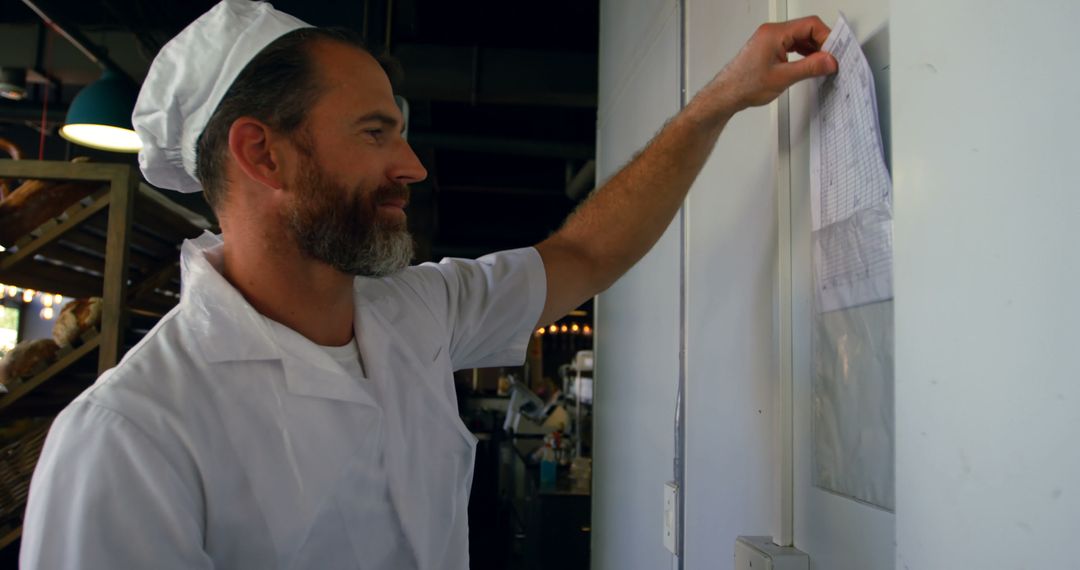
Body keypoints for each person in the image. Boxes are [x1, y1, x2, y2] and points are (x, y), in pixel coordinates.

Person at [19, 1, 837, 568]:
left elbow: (584, 256)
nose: (411, 165)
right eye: (376, 132)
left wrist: (716, 104)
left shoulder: (414, 313)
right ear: (262, 154)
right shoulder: (129, 440)